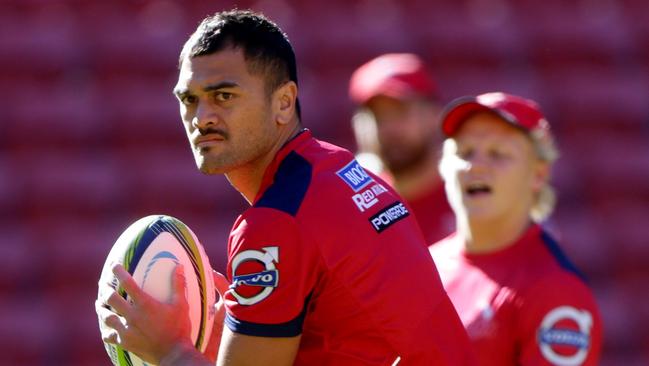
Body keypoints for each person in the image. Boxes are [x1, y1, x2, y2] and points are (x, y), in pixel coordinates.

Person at [96, 9, 474, 366]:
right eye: (189, 99)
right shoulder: (339, 168)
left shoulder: (275, 222)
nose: (202, 117)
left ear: (284, 102)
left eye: (224, 96)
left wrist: (168, 351)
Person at [429, 92, 602, 365]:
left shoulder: (556, 291)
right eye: (464, 152)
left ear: (539, 174)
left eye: (498, 153)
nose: (476, 166)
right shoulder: (425, 264)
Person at [348, 53, 454, 244]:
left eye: (400, 112)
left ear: (433, 115)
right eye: (377, 116)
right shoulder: (350, 205)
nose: (389, 128)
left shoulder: (468, 195)